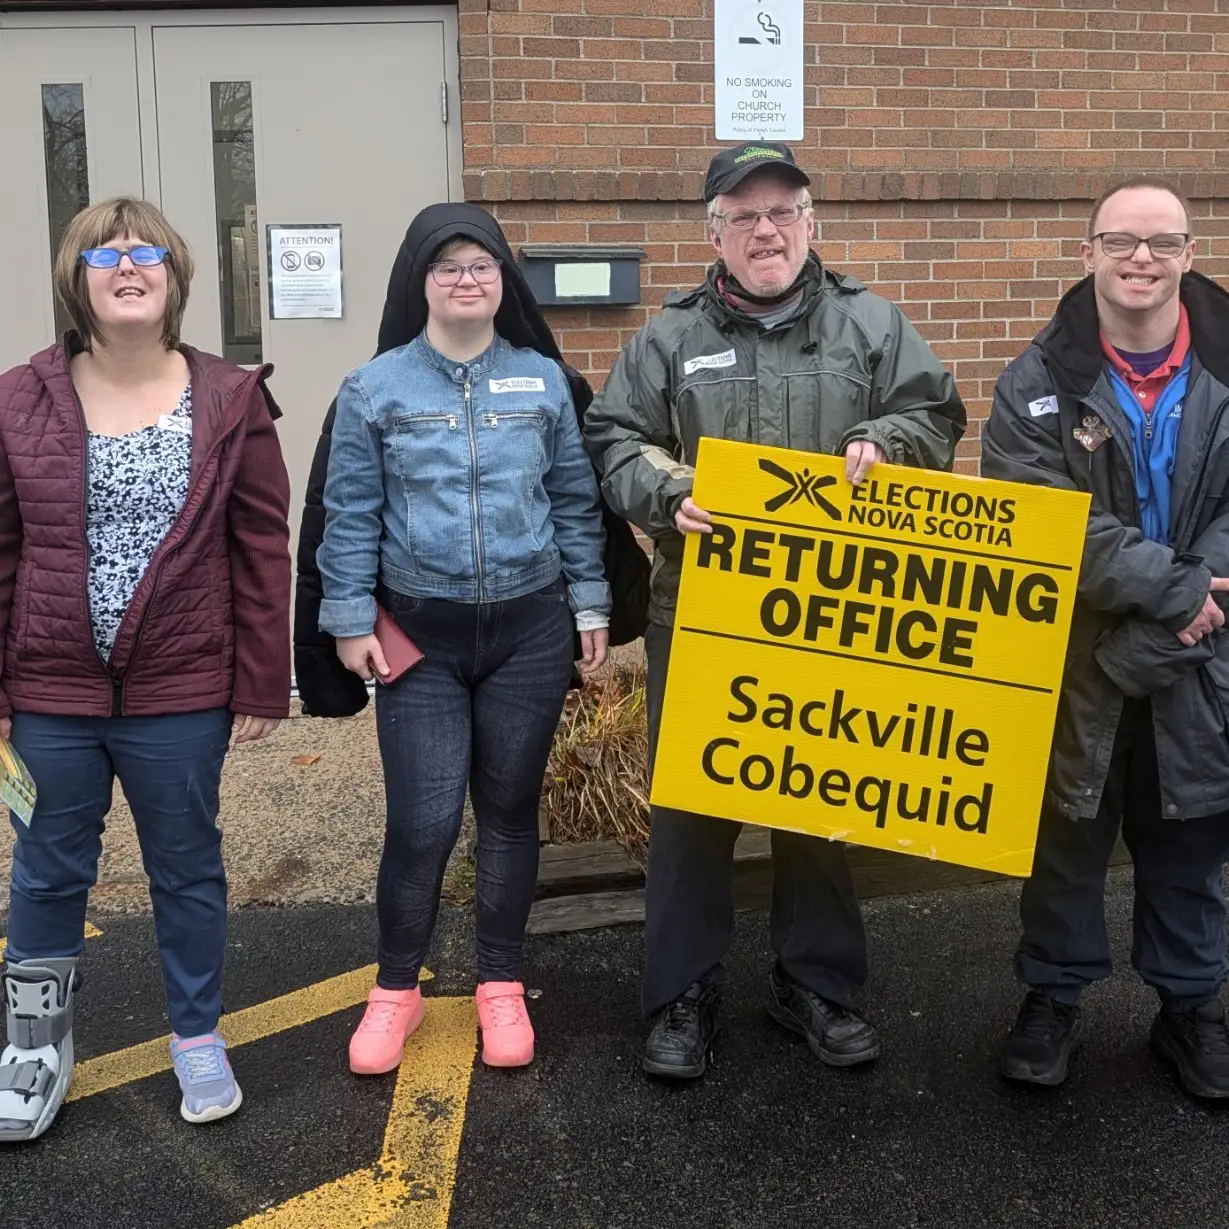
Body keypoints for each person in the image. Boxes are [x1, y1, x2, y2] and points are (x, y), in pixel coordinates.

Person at [583, 142, 966, 1079]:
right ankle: (681, 991)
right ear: (713, 231)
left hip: (830, 611)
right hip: (703, 606)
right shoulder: (668, 337)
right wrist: (663, 485)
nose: (765, 229)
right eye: (743, 214)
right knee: (691, 804)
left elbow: (936, 415)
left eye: (781, 211)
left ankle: (818, 987)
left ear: (810, 223)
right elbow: (612, 437)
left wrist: (887, 439)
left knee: (820, 794)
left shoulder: (870, 324)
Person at [304, 203, 643, 1076]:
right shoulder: (374, 389)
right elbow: (348, 515)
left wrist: (591, 606)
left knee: (506, 813)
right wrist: (347, 618)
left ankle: (500, 981)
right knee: (421, 821)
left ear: (504, 282)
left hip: (530, 629)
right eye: (447, 265)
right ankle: (395, 990)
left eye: (482, 265)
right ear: (419, 280)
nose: (466, 278)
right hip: (419, 634)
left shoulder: (541, 382)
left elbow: (575, 503)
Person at [0, 197, 292, 1139]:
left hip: (180, 690)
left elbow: (260, 545)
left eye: (148, 251)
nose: (128, 266)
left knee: (187, 867)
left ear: (176, 275)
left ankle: (197, 1036)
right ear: (74, 277)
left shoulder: (230, 396)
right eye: (104, 253)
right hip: (50, 691)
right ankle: (33, 1046)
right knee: (45, 871)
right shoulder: (17, 397)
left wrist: (259, 676)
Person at [982, 177, 1229, 1099]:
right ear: (1085, 252)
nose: (1140, 259)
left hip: (1202, 659)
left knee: (1190, 842)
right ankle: (1051, 999)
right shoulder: (1034, 380)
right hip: (1076, 665)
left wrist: (1185, 612)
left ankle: (1191, 1007)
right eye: (1120, 240)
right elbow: (1041, 526)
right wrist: (1177, 591)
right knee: (1064, 842)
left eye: (1161, 243)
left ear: (1188, 255)